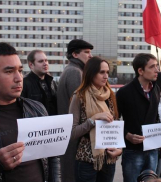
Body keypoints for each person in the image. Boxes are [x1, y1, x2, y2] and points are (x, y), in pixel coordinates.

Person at [0, 42, 61, 182]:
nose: (19, 78)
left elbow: (53, 157)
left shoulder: (37, 108)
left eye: (20, 70)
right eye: (9, 71)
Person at [69, 57, 122, 182]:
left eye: (107, 72)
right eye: (101, 72)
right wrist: (92, 120)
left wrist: (119, 150)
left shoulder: (110, 95)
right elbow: (72, 132)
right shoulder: (79, 96)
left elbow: (115, 127)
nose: (106, 76)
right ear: (91, 73)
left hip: (108, 158)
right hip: (87, 159)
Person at [116, 53, 160, 182]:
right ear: (140, 71)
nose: (157, 70)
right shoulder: (124, 92)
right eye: (152, 67)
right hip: (132, 151)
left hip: (152, 149)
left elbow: (155, 117)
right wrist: (127, 135)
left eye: (157, 66)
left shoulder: (155, 89)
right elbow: (114, 121)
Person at [57, 39, 93, 182]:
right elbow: (82, 106)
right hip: (74, 134)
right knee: (72, 174)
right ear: (75, 54)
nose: (90, 56)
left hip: (73, 132)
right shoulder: (74, 72)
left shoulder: (75, 70)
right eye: (86, 52)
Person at [22, 50, 57, 115]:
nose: (45, 63)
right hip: (35, 123)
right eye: (41, 61)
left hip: (53, 122)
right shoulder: (24, 83)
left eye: (46, 60)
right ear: (31, 65)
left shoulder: (52, 82)